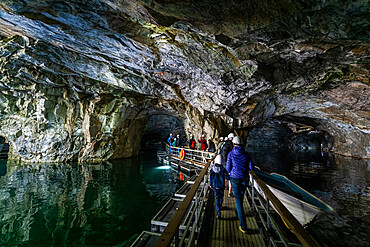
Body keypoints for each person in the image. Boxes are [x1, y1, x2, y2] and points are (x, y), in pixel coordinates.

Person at [226, 136, 253, 234]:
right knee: (240, 197)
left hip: (235, 179)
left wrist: (233, 171)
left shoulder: (231, 154)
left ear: (233, 144)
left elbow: (228, 168)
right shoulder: (247, 154)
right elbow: (251, 168)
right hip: (244, 179)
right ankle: (238, 212)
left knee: (238, 200)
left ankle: (243, 225)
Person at [210, 155, 228, 219]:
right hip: (221, 186)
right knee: (221, 196)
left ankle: (218, 213)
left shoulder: (212, 169)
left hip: (215, 186)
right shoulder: (223, 169)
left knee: (216, 198)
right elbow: (227, 177)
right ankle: (220, 206)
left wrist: (211, 184)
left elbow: (211, 178)